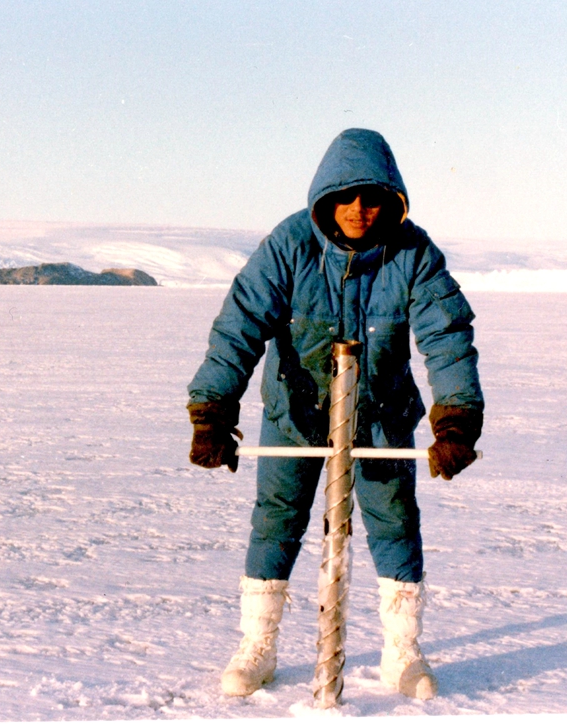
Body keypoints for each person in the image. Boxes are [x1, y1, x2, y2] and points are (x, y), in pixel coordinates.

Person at [186, 128, 483, 700]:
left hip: (380, 415)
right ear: (325, 198)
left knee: (394, 522)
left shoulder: (413, 254)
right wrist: (212, 412)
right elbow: (240, 325)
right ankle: (258, 645)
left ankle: (402, 652)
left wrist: (456, 421)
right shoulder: (289, 245)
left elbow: (446, 337)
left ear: (392, 200)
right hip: (295, 414)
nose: (358, 209)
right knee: (276, 519)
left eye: (372, 198)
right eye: (346, 197)